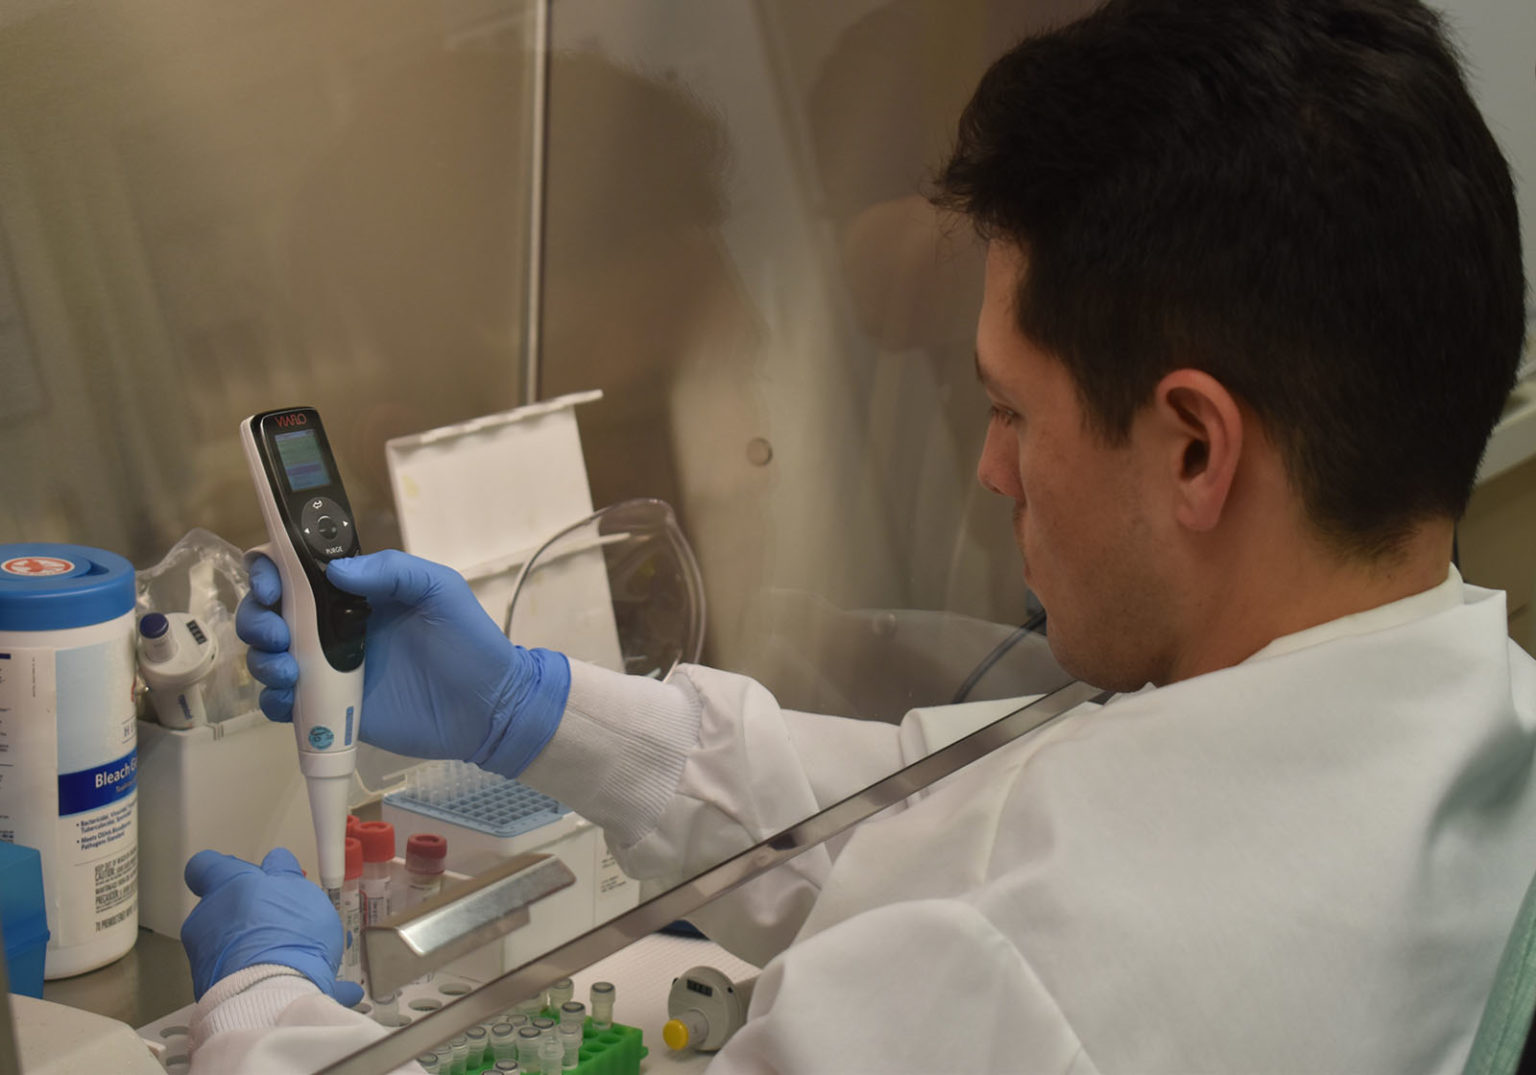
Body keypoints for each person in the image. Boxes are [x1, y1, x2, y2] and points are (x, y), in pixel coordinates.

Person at [184, 0, 1534, 1070]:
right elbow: (923, 814)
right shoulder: (1473, 717)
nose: (993, 469)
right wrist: (532, 713)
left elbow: (999, 933)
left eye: (1010, 409)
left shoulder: (1045, 974)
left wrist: (258, 1012)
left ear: (1195, 445)